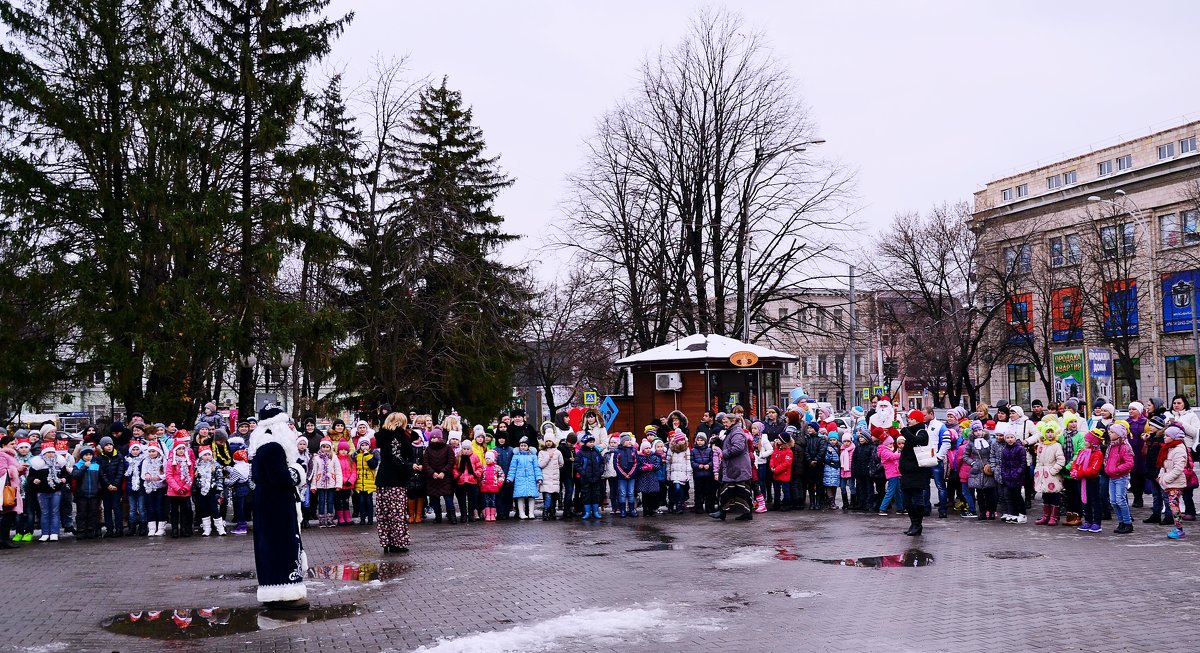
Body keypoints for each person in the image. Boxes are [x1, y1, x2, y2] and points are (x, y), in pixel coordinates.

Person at [247, 403, 309, 610]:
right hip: (278, 505)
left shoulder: (260, 445)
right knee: (283, 545)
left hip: (266, 503)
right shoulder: (274, 447)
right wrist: (299, 471)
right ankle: (286, 592)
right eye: (287, 424)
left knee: (268, 547)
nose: (291, 429)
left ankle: (272, 590)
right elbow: (281, 477)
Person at [374, 412, 414, 552]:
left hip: (383, 479)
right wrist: (408, 469)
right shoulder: (397, 436)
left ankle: (387, 541)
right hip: (395, 480)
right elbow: (398, 457)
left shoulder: (383, 435)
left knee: (384, 513)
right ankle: (397, 542)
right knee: (396, 513)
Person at [711, 413, 755, 522]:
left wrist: (724, 453)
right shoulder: (732, 431)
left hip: (738, 467)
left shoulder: (737, 432)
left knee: (737, 490)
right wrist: (719, 442)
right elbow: (730, 445)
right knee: (732, 490)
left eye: (726, 422)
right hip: (735, 467)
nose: (724, 424)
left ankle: (727, 512)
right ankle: (725, 512)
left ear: (733, 421)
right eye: (723, 422)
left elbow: (738, 447)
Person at [898, 419, 931, 536]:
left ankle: (918, 525)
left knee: (917, 498)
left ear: (917, 420)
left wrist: (903, 430)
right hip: (906, 473)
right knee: (906, 500)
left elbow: (917, 441)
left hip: (917, 472)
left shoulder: (922, 432)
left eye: (911, 419)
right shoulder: (909, 432)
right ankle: (913, 523)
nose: (909, 421)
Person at [1158, 424, 1190, 539]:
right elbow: (1164, 465)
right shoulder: (1168, 448)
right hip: (1169, 482)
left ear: (1174, 437)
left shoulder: (1179, 450)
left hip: (1176, 483)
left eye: (1167, 435)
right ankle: (1178, 528)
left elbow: (1178, 469)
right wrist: (1161, 476)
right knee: (1172, 505)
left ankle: (1179, 529)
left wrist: (1166, 479)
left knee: (1173, 505)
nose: (1164, 437)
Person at [1072, 428, 1105, 534]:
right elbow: (1076, 462)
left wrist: (1079, 473)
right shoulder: (1082, 451)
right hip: (1081, 480)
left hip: (1092, 480)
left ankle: (1097, 523)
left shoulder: (1098, 454)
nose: (1085, 442)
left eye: (1087, 440)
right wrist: (1073, 471)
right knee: (1084, 501)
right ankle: (1088, 520)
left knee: (1094, 501)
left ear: (1093, 442)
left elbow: (1094, 469)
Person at [1032, 421, 1065, 526]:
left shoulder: (1057, 446)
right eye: (1047, 432)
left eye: (1051, 432)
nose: (1049, 434)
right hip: (1042, 474)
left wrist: (1053, 471)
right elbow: (1038, 459)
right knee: (1045, 495)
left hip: (1052, 475)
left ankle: (1054, 516)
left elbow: (1060, 460)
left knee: (1054, 495)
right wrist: (1037, 470)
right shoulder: (1041, 446)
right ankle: (1046, 515)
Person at [1105, 422, 1135, 534]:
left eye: (1112, 432)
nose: (1109, 433)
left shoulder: (1125, 447)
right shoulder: (1112, 446)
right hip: (1112, 477)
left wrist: (1116, 469)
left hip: (1121, 477)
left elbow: (1129, 463)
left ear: (1119, 434)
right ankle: (1121, 521)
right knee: (1113, 501)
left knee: (1120, 500)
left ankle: (1127, 522)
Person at [423, 428, 457, 523]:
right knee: (434, 499)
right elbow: (425, 463)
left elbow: (451, 461)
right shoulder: (428, 449)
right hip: (432, 478)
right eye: (432, 438)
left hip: (445, 477)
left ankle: (452, 516)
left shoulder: (447, 448)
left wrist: (444, 472)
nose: (433, 439)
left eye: (435, 437)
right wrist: (432, 473)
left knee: (448, 499)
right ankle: (438, 517)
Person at [309, 438, 341, 528]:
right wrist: (313, 486)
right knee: (321, 501)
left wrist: (338, 484)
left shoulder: (334, 457)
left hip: (331, 483)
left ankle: (330, 520)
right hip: (320, 484)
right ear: (321, 447)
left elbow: (338, 471)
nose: (326, 449)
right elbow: (314, 472)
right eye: (324, 447)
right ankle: (321, 520)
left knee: (330, 501)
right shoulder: (316, 458)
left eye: (327, 447)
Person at [194, 446, 226, 536]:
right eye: (205, 455)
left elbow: (220, 478)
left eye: (209, 454)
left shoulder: (216, 465)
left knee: (214, 509)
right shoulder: (197, 466)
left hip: (212, 491)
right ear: (201, 456)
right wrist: (197, 487)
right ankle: (207, 528)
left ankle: (220, 528)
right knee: (204, 510)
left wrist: (218, 489)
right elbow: (195, 479)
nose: (207, 457)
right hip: (202, 491)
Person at [1, 435, 26, 548]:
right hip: (6, 489)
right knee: (7, 514)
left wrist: (21, 470)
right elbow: (2, 472)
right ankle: (4, 539)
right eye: (12, 444)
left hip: (12, 488)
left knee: (9, 514)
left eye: (15, 444)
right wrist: (16, 469)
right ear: (3, 445)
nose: (14, 446)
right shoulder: (2, 455)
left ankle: (5, 538)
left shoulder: (11, 456)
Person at [507, 437, 542, 520]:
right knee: (520, 497)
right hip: (520, 479)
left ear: (528, 447)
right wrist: (510, 478)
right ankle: (521, 513)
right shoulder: (516, 457)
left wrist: (539, 477)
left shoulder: (533, 456)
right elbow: (512, 468)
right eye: (521, 445)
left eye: (525, 445)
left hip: (531, 479)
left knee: (531, 497)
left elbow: (536, 468)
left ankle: (531, 512)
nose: (523, 447)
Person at [165, 439, 194, 538]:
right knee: (174, 511)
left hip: (185, 490)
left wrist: (186, 487)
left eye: (183, 449)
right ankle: (174, 529)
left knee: (184, 510)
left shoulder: (188, 462)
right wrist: (177, 488)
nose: (181, 451)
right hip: (174, 491)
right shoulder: (171, 462)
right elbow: (169, 476)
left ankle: (183, 528)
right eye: (179, 449)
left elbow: (191, 475)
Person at [998, 430, 1028, 524]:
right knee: (1008, 495)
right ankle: (1012, 513)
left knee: (1017, 495)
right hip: (1008, 476)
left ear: (1015, 438)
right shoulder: (1005, 450)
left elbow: (1023, 463)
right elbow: (1003, 464)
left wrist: (1017, 473)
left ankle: (1022, 514)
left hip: (1016, 476)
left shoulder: (1020, 449)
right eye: (1008, 438)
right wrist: (1004, 474)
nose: (1010, 439)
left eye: (1011, 437)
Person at [141, 442, 168, 536]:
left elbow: (166, 473)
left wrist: (160, 477)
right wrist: (146, 475)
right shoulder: (145, 461)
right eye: (150, 451)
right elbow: (143, 474)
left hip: (160, 487)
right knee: (150, 507)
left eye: (154, 451)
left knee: (159, 507)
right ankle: (152, 527)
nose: (152, 453)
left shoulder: (163, 461)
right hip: (149, 487)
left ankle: (161, 527)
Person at [454, 440, 482, 523]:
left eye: (468, 449)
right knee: (461, 499)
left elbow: (479, 467)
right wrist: (457, 476)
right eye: (464, 449)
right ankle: (463, 515)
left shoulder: (475, 457)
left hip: (472, 480)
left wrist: (475, 474)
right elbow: (454, 468)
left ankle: (471, 515)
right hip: (461, 481)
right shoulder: (458, 456)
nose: (466, 451)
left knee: (472, 499)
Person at [353, 437, 378, 526]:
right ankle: (362, 519)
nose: (364, 447)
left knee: (369, 501)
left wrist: (367, 455)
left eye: (366, 445)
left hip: (369, 483)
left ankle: (370, 519)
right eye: (362, 445)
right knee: (361, 502)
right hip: (360, 482)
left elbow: (373, 465)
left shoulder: (372, 455)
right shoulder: (357, 456)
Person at [538, 435, 564, 520]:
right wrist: (548, 457)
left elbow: (561, 463)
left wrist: (555, 469)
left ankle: (552, 511)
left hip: (554, 477)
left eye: (550, 441)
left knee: (554, 496)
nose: (548, 443)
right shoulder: (541, 452)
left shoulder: (558, 452)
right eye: (547, 441)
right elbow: (540, 464)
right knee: (547, 496)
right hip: (546, 478)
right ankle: (545, 512)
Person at [877, 433, 903, 516]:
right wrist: (903, 454)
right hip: (892, 474)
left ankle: (900, 508)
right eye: (890, 443)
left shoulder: (886, 450)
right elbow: (892, 457)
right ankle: (882, 508)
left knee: (897, 492)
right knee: (890, 491)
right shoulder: (884, 451)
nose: (892, 445)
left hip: (895, 473)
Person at [227, 449, 252, 535]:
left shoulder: (236, 469)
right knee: (244, 507)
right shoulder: (248, 466)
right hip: (247, 489)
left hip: (238, 490)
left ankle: (242, 526)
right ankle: (243, 523)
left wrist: (224, 480)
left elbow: (231, 482)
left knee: (239, 508)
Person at [768, 432, 793, 511]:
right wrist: (772, 466)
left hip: (784, 474)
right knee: (776, 489)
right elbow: (772, 458)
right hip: (776, 473)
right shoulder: (776, 449)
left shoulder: (788, 451)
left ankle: (787, 504)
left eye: (779, 439)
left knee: (785, 490)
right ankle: (776, 504)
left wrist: (776, 469)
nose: (777, 440)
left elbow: (787, 464)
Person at [480, 450, 505, 521]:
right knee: (487, 501)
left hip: (494, 487)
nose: (487, 460)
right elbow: (481, 476)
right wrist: (481, 483)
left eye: (489, 459)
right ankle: (487, 515)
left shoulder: (497, 467)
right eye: (486, 459)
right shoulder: (484, 468)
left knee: (493, 501)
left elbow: (501, 475)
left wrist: (499, 483)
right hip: (485, 487)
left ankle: (493, 514)